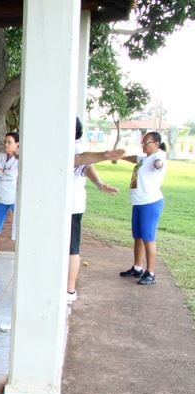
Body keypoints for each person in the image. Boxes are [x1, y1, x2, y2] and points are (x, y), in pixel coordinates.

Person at [67, 118, 122, 301]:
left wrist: (104, 155)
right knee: (67, 247)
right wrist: (99, 183)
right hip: (66, 206)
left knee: (71, 249)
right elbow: (86, 166)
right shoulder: (68, 145)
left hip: (71, 207)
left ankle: (70, 290)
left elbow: (81, 160)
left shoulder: (74, 147)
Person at [118, 131, 166, 286]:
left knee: (148, 238)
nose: (143, 145)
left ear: (156, 144)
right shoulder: (145, 158)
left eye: (147, 142)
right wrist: (121, 156)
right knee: (137, 236)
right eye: (143, 142)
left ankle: (150, 273)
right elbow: (134, 158)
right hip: (138, 204)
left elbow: (159, 163)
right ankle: (137, 268)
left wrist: (158, 164)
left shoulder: (158, 157)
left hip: (150, 204)